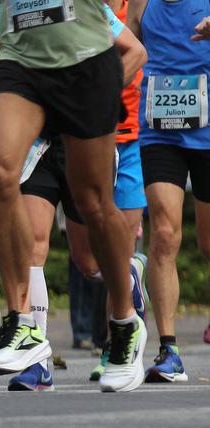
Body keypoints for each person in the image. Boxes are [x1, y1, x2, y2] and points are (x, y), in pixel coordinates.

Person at [0, 0, 146, 393]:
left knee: (94, 205)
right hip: (21, 60)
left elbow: (134, 47)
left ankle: (126, 323)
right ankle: (23, 325)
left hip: (84, 59)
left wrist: (101, 94)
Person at [126, 0, 209, 384]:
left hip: (207, 131)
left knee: (208, 243)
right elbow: (126, 47)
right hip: (159, 129)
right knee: (162, 233)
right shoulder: (142, 3)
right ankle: (169, 349)